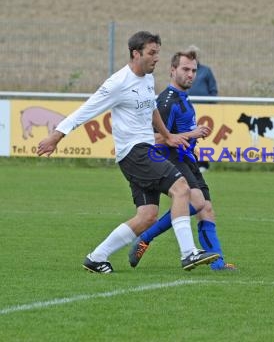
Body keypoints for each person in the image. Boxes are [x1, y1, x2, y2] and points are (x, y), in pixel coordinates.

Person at [37, 31, 220, 274]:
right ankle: (188, 253)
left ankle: (96, 257)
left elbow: (152, 108)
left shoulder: (147, 79)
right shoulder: (118, 83)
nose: (157, 58)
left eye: (158, 53)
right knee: (182, 188)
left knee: (147, 216)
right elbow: (86, 110)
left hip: (141, 151)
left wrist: (167, 136)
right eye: (152, 53)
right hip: (136, 152)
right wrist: (56, 135)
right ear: (136, 53)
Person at [128, 50, 236, 271]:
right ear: (172, 70)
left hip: (188, 159)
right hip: (171, 159)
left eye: (194, 70)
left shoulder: (184, 99)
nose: (191, 75)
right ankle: (146, 237)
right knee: (196, 202)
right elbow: (154, 139)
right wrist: (191, 134)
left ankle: (218, 264)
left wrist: (192, 135)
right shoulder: (166, 102)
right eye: (185, 69)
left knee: (206, 209)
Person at [187, 45, 218, 172]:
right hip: (188, 110)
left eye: (194, 54)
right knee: (189, 135)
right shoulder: (183, 71)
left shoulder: (206, 71)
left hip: (204, 110)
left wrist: (211, 107)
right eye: (190, 54)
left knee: (203, 135)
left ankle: (203, 164)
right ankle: (190, 162)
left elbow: (213, 90)